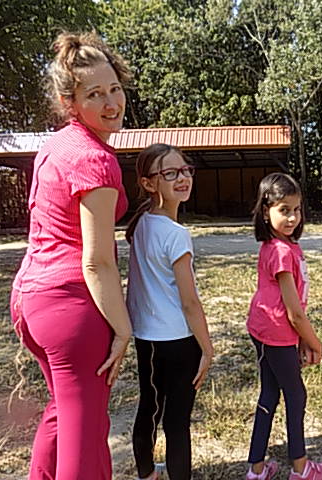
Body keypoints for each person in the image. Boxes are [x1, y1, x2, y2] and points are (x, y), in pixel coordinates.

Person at [9, 31, 132, 479]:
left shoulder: (56, 145)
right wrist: (123, 329)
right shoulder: (95, 160)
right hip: (71, 310)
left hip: (30, 301)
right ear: (70, 102)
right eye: (94, 94)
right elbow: (97, 262)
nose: (111, 102)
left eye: (114, 88)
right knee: (86, 436)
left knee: (63, 412)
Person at [125, 144, 214, 480]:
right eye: (171, 173)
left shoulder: (141, 224)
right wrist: (207, 348)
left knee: (149, 409)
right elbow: (190, 302)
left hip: (147, 339)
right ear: (149, 183)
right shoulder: (176, 234)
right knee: (177, 423)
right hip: (179, 341)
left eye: (186, 170)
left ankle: (146, 472)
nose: (183, 178)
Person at [245, 172, 322, 480]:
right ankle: (301, 468)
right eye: (284, 210)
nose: (293, 217)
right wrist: (314, 342)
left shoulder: (279, 245)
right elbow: (294, 313)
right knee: (296, 396)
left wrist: (301, 338)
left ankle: (256, 470)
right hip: (277, 334)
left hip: (264, 330)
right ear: (265, 211)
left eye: (297, 209)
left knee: (269, 394)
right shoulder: (281, 252)